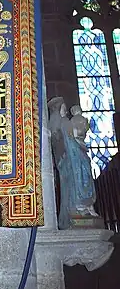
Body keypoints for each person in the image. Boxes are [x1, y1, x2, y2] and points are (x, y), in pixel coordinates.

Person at [48, 97, 96, 229]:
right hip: (72, 160)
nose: (66, 110)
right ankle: (78, 208)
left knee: (84, 177)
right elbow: (71, 138)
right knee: (76, 181)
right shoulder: (62, 123)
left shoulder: (66, 122)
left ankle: (86, 207)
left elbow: (79, 134)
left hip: (79, 155)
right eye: (63, 107)